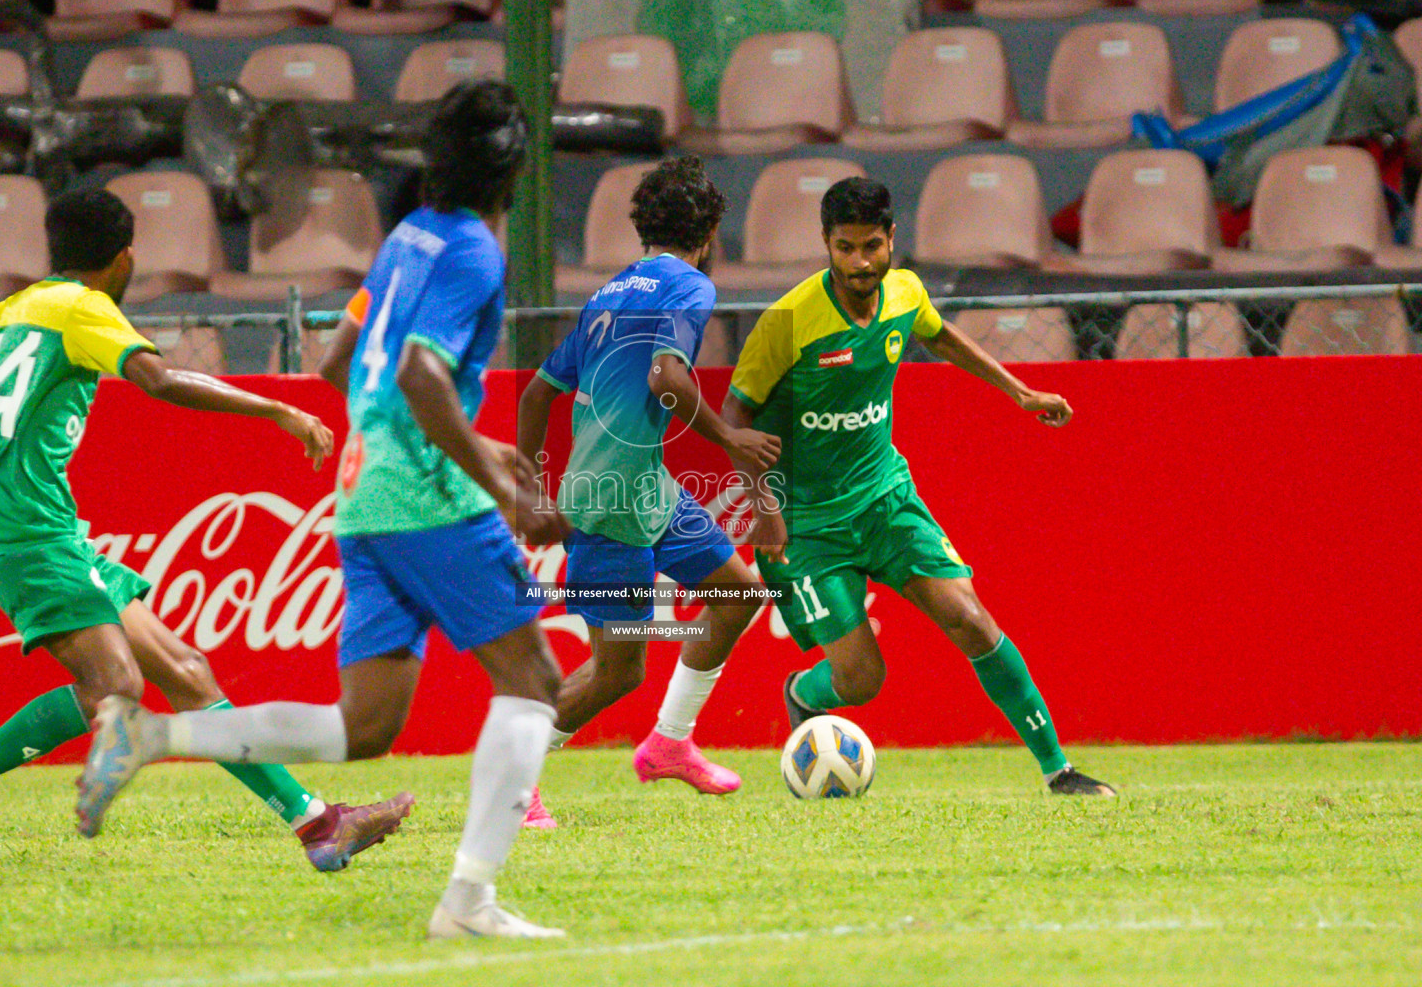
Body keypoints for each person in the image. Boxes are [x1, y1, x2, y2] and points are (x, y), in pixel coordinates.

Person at [73, 81, 576, 938]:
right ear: (515, 177)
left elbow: (342, 364)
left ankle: (155, 739)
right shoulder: (475, 253)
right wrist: (508, 488)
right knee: (534, 681)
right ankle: (468, 903)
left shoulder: (405, 238)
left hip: (361, 492)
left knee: (366, 725)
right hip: (427, 500)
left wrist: (465, 445)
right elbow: (419, 376)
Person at [0, 188, 412, 888]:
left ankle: (318, 825)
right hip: (25, 534)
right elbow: (157, 379)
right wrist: (275, 409)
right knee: (115, 689)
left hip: (39, 528)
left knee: (187, 673)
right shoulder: (84, 311)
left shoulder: (13, 310)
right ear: (123, 259)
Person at [722, 177, 1115, 797]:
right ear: (825, 243)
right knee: (860, 682)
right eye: (845, 247)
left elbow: (937, 334)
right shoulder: (788, 322)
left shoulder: (905, 292)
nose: (860, 262)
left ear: (892, 240)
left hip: (885, 498)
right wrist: (765, 513)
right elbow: (735, 418)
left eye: (872, 246)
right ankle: (804, 691)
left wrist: (1019, 392)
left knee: (971, 619)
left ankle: (1057, 770)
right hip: (807, 524)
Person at [513, 157, 781, 824]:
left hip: (645, 490)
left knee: (738, 594)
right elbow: (668, 376)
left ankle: (669, 743)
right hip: (608, 507)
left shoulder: (608, 295)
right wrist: (730, 440)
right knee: (616, 673)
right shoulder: (687, 286)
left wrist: (529, 486)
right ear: (710, 232)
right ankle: (512, 784)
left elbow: (537, 391)